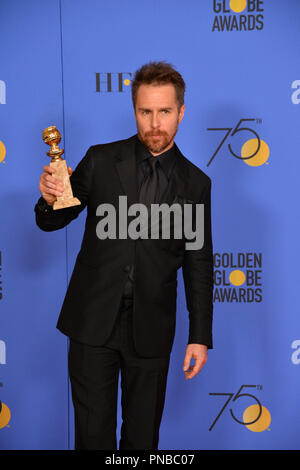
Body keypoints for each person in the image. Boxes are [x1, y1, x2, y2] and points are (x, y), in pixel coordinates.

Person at [34, 61, 214, 450]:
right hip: (92, 323)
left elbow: (198, 262)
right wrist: (49, 198)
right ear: (134, 111)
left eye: (164, 112)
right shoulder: (100, 161)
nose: (154, 123)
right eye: (145, 112)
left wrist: (199, 335)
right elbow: (51, 220)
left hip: (152, 326)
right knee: (92, 439)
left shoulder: (196, 183)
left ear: (181, 111)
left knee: (141, 441)